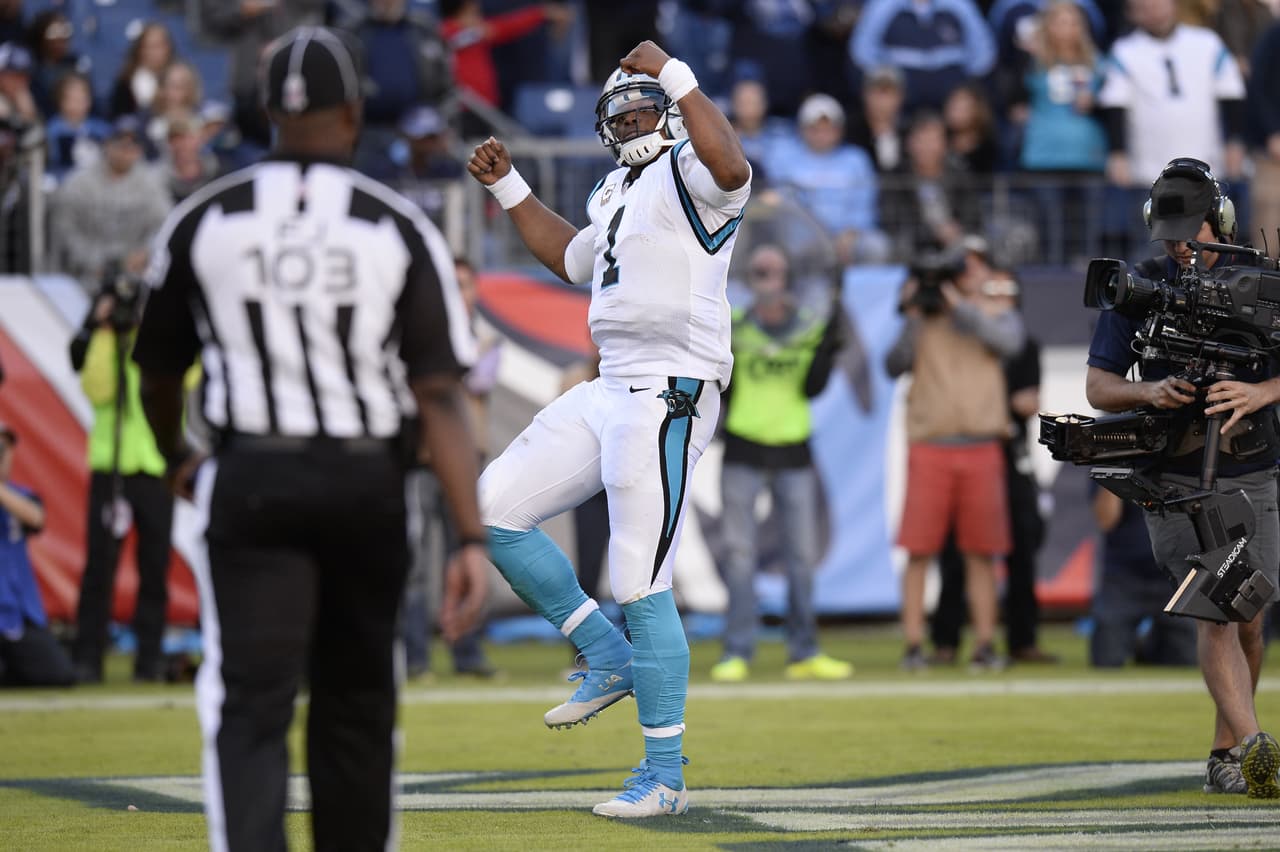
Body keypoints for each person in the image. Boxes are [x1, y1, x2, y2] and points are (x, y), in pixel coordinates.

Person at [131, 26, 489, 851]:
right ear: (354, 112)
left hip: (252, 477)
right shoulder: (396, 225)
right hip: (365, 482)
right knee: (357, 708)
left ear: (265, 112)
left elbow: (155, 370)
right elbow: (438, 391)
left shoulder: (204, 219)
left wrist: (180, 458)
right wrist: (470, 533)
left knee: (252, 707)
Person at [466, 39, 751, 817]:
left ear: (665, 110)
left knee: (638, 578)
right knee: (492, 509)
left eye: (641, 106)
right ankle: (606, 654)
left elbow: (733, 169)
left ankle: (664, 777)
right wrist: (510, 187)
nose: (630, 119)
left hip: (669, 388)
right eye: (617, 112)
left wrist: (676, 71)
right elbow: (571, 258)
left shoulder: (694, 172)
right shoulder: (614, 191)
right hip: (610, 383)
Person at [1085, 156, 1280, 798]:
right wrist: (1151, 393)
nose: (1179, 244)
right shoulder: (1138, 287)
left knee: (1249, 617)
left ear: (1219, 221)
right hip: (1173, 474)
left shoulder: (1266, 282)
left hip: (1253, 468)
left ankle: (1225, 750)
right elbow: (1098, 387)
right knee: (1215, 614)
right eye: (1169, 231)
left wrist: (1260, 393)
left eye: (1191, 229)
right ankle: (1256, 747)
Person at [709, 242, 854, 683]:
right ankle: (737, 651)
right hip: (743, 449)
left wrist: (830, 342)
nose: (767, 280)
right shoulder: (732, 325)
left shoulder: (809, 328)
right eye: (759, 272)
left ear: (787, 278)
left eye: (774, 272)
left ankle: (804, 651)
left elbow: (814, 386)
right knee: (738, 555)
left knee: (802, 557)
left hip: (794, 451)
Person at [886, 249, 1026, 672]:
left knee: (982, 551)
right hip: (930, 444)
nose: (963, 274)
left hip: (982, 444)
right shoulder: (923, 317)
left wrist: (956, 304)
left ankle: (984, 643)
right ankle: (913, 644)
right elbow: (893, 365)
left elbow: (1009, 344)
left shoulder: (996, 310)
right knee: (918, 550)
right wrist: (913, 314)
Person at [68, 268, 176, 684]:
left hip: (152, 465)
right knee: (99, 568)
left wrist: (156, 326)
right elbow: (98, 389)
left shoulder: (160, 342)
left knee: (155, 566)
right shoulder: (102, 338)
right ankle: (87, 660)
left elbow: (186, 373)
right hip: (109, 466)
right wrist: (102, 328)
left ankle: (149, 662)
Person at [0, 421, 76, 688]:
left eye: (4, 449)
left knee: (59, 674)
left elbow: (36, 518)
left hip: (16, 611)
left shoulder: (19, 495)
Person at [1088, 486, 1196, 669]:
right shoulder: (1118, 459)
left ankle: (1150, 644)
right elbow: (1106, 520)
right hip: (1124, 575)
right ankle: (1148, 643)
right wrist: (1113, 469)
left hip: (1176, 576)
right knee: (1106, 659)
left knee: (1188, 659)